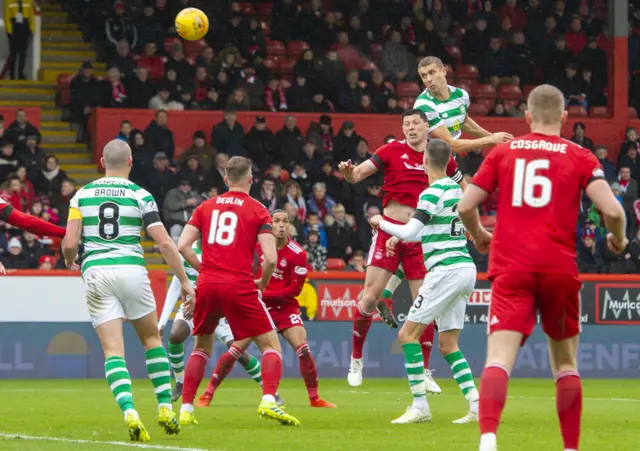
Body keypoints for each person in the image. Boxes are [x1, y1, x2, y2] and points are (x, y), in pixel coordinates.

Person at [456, 84, 627, 451]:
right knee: (565, 365)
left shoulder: (503, 151)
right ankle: (569, 447)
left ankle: (488, 439)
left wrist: (480, 235)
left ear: (527, 117)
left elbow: (465, 206)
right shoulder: (580, 156)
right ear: (565, 117)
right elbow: (613, 211)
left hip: (511, 267)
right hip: (558, 269)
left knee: (499, 360)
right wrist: (620, 240)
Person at [376, 56, 514, 354]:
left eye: (431, 73)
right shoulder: (426, 106)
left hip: (448, 168)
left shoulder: (461, 96)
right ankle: (387, 292)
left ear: (443, 72)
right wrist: (491, 140)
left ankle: (386, 294)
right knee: (430, 231)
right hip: (431, 166)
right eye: (422, 75)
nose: (427, 79)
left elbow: (463, 122)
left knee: (428, 234)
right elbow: (450, 144)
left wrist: (486, 135)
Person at [61, 139, 194, 442]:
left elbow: (70, 243)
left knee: (113, 351)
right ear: (131, 161)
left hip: (96, 271)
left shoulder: (83, 194)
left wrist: (71, 261)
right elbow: (163, 242)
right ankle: (164, 406)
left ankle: (129, 411)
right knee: (151, 340)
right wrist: (185, 281)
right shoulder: (140, 194)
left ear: (101, 161)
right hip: (132, 269)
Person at [338, 109, 466, 391]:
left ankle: (426, 370)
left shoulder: (438, 155)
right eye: (406, 124)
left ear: (426, 126)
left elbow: (462, 188)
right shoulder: (391, 150)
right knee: (369, 298)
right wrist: (349, 173)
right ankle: (356, 359)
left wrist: (469, 210)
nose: (410, 128)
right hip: (389, 230)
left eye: (415, 123)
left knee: (425, 305)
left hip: (422, 237)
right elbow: (358, 174)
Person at [176, 156, 299, 426]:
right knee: (270, 345)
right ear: (251, 179)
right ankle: (268, 400)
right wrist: (263, 284)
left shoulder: (205, 207)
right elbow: (270, 258)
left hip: (207, 283)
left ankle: (186, 408)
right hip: (239, 284)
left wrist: (204, 268)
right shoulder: (257, 210)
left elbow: (182, 245)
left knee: (201, 346)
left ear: (225, 178)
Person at [370, 139, 479, 424]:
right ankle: (477, 406)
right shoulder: (456, 190)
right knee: (448, 344)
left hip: (445, 270)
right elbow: (423, 232)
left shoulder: (431, 192)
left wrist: (380, 222)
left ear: (423, 162)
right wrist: (400, 234)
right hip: (465, 268)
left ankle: (420, 406)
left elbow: (410, 231)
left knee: (407, 335)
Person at [198, 210, 335, 408]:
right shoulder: (256, 248)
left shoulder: (298, 253)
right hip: (256, 305)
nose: (281, 225)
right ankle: (208, 393)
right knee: (237, 349)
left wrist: (260, 291)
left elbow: (294, 290)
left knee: (303, 348)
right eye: (276, 221)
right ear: (269, 225)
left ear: (289, 225)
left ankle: (314, 398)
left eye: (285, 221)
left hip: (284, 307)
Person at [157, 239, 284, 406]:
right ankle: (180, 382)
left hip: (221, 305)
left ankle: (271, 391)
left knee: (238, 352)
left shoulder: (223, 251)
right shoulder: (187, 252)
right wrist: (162, 322)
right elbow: (177, 284)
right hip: (193, 307)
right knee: (175, 335)